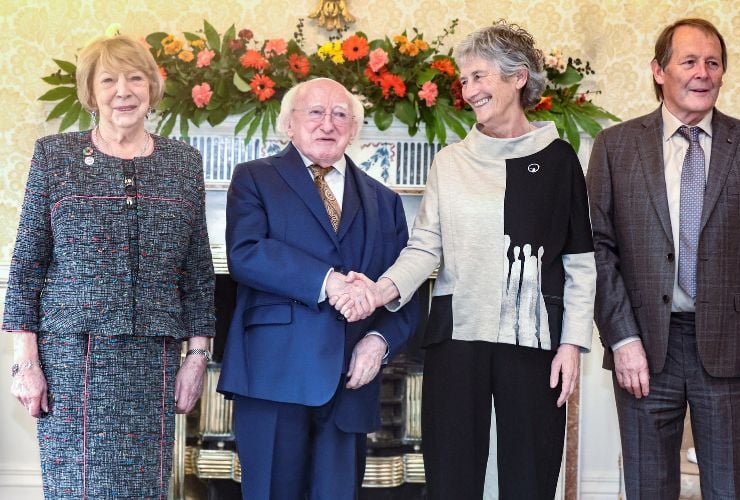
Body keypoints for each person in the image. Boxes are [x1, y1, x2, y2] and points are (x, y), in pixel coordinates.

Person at [334, 21, 596, 499]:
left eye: (479, 76)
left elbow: (580, 261)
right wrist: (378, 291)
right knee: (451, 479)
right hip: (455, 340)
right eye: (464, 79)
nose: (468, 89)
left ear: (518, 78)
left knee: (530, 479)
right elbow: (424, 248)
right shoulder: (449, 162)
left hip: (533, 338)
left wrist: (573, 344)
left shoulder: (558, 159)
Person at [587, 18, 740, 499]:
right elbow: (599, 247)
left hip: (731, 353)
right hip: (644, 351)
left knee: (728, 490)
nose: (703, 72)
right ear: (659, 71)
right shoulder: (616, 146)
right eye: (690, 61)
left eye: (713, 62)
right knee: (648, 489)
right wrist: (621, 339)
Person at [3, 35, 215, 498]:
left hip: (152, 359)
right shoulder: (54, 156)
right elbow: (26, 267)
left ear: (153, 87)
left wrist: (197, 357)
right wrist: (25, 363)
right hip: (70, 358)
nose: (124, 91)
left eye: (136, 78)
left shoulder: (182, 162)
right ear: (91, 91)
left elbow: (198, 272)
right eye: (109, 79)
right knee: (77, 488)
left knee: (145, 488)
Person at [216, 77, 419, 499]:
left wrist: (379, 343)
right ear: (289, 124)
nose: (328, 123)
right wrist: (328, 282)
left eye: (340, 114)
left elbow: (406, 292)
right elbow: (246, 253)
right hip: (272, 376)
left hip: (351, 384)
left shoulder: (385, 200)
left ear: (354, 128)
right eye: (315, 112)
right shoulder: (254, 178)